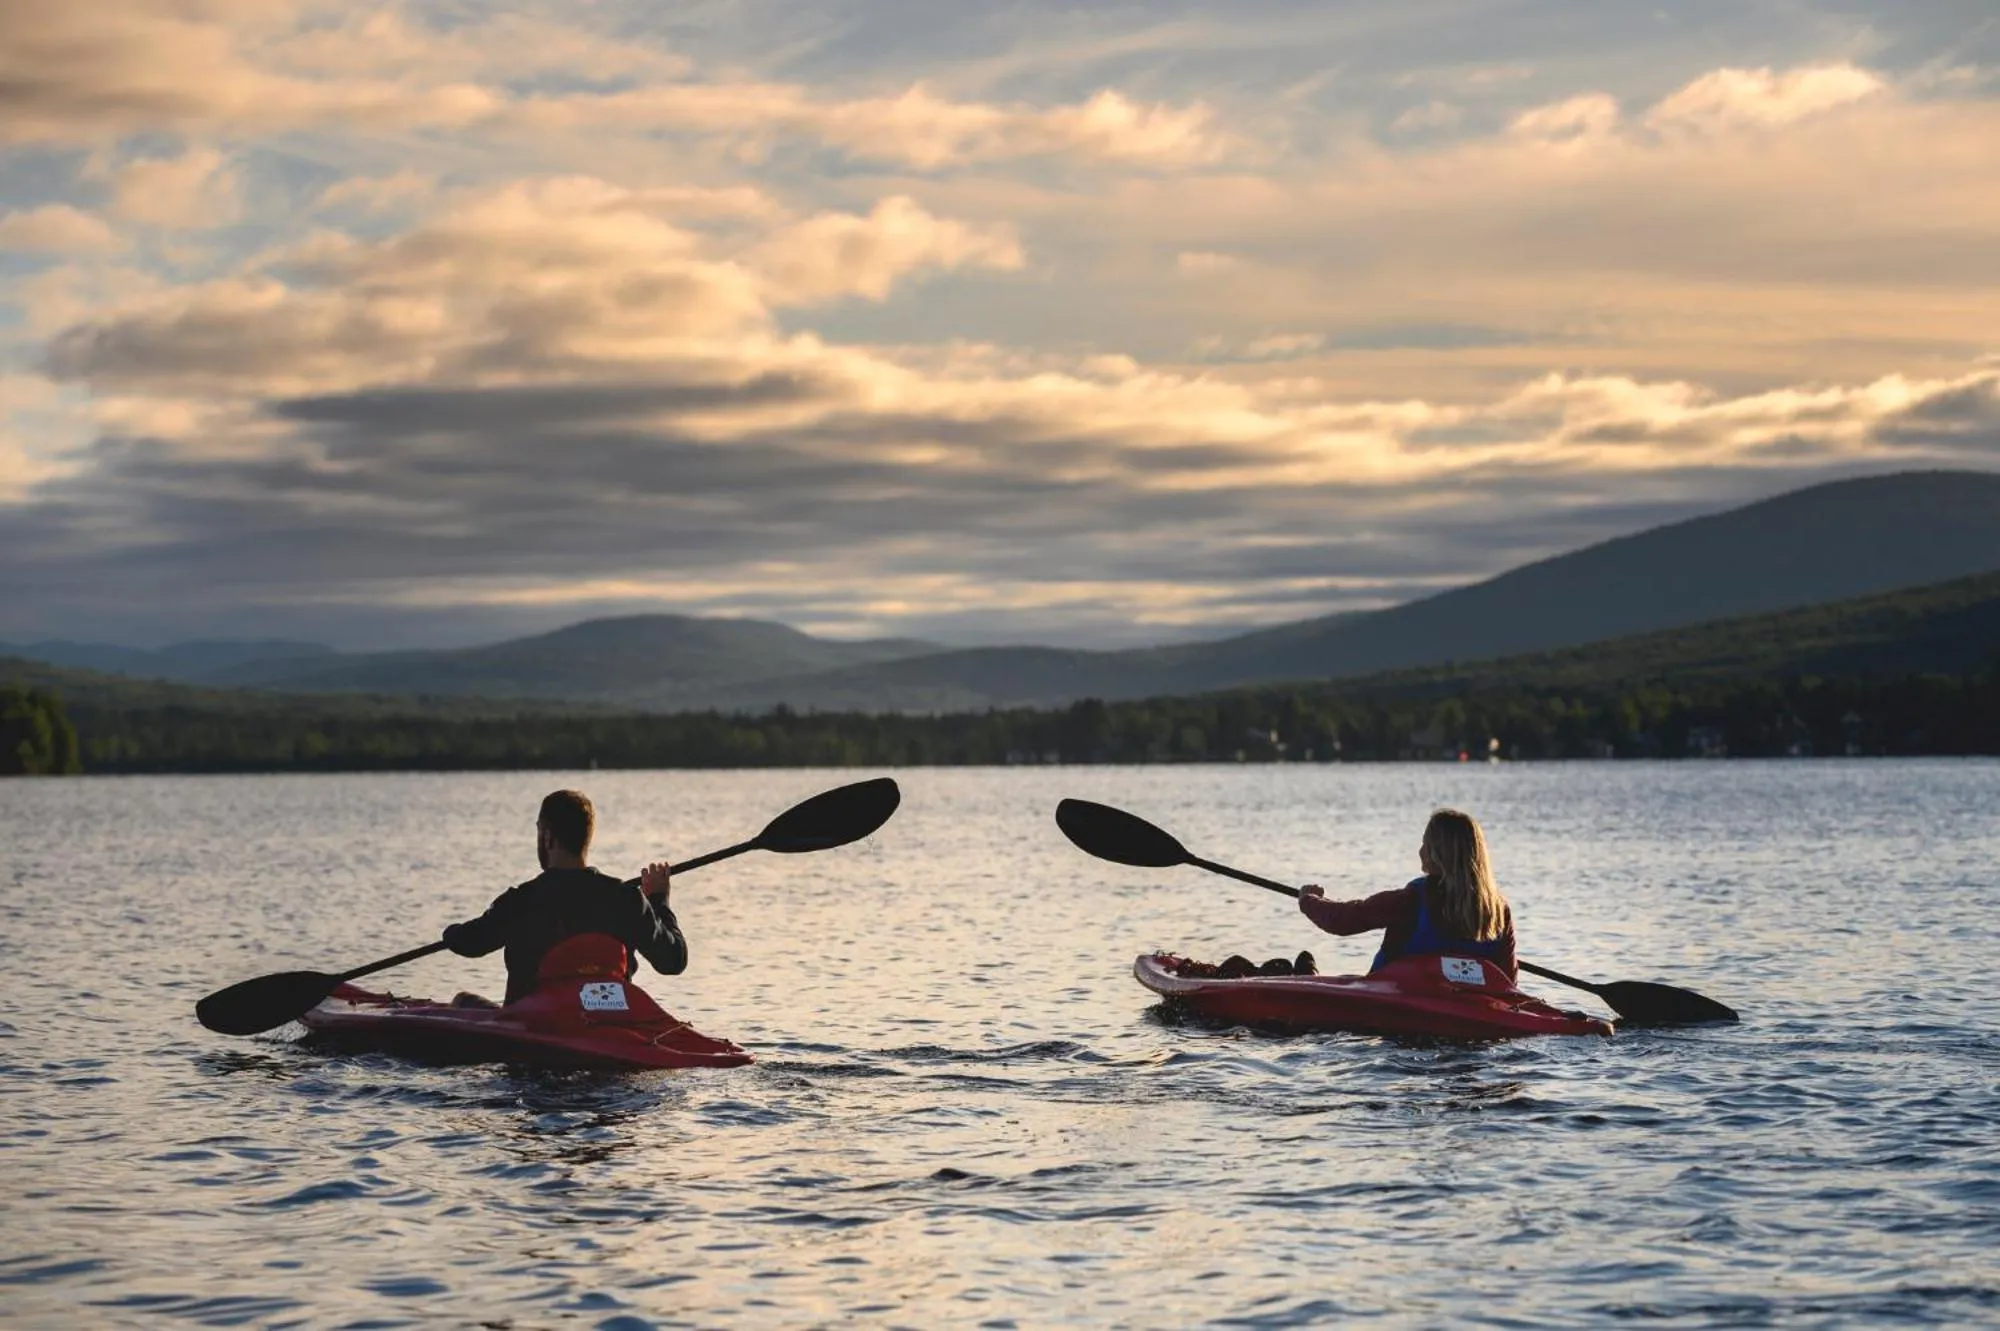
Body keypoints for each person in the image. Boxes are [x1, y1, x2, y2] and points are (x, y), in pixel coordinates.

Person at [442, 789, 687, 1006]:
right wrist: (658, 901)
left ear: (547, 837)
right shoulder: (627, 899)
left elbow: (470, 943)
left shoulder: (521, 901)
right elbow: (673, 961)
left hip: (534, 1026)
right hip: (609, 1025)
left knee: (463, 1001)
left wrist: (450, 932)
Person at [1297, 807, 1517, 979]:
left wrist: (1309, 900)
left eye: (1425, 843)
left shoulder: (1411, 900)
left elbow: (1344, 920)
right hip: (1466, 1015)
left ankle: (1304, 976)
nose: (1420, 851)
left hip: (1399, 1007)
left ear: (1436, 854)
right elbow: (1508, 981)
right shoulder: (1498, 910)